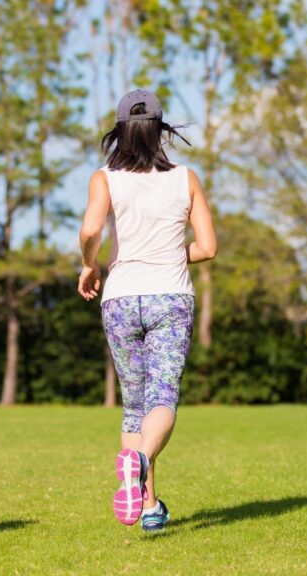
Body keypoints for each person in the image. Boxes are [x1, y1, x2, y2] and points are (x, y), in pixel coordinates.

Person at [77, 89, 217, 533]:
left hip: (119, 297)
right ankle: (138, 461)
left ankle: (150, 507)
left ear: (119, 132)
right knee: (163, 398)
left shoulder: (104, 179)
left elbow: (91, 229)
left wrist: (88, 264)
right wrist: (174, 256)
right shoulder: (186, 177)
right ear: (160, 129)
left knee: (134, 405)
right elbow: (209, 247)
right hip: (170, 297)